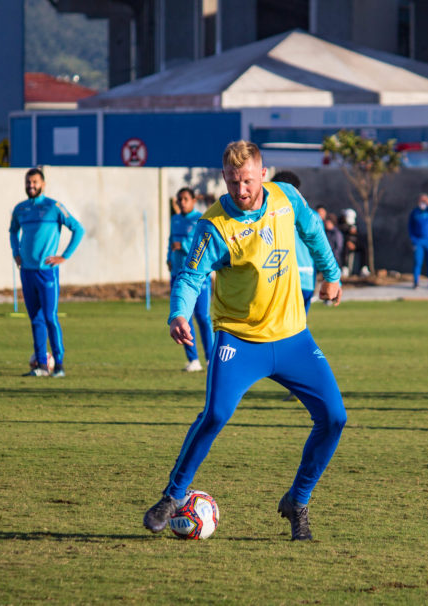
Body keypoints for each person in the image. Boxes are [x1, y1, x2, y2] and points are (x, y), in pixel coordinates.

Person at [143, 141, 346, 541]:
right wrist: (179, 313)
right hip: (239, 339)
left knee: (335, 418)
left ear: (263, 174)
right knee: (216, 414)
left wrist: (332, 274)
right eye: (234, 182)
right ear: (224, 178)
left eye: (248, 181)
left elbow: (313, 230)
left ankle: (297, 501)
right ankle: (173, 496)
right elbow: (190, 276)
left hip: (292, 337)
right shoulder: (214, 226)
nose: (241, 190)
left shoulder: (286, 198)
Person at [10, 167, 84, 377]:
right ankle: (41, 366)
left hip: (47, 273)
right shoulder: (20, 209)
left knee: (50, 317)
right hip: (27, 272)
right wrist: (16, 252)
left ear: (43, 184)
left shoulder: (54, 207)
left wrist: (64, 256)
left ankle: (59, 365)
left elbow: (78, 229)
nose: (31, 185)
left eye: (35, 182)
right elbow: (13, 231)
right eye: (28, 182)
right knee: (35, 318)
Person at [168, 187, 214, 371]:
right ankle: (193, 360)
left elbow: (202, 244)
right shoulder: (175, 219)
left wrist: (182, 245)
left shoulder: (200, 220)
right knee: (183, 318)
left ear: (194, 201)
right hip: (177, 274)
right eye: (179, 199)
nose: (182, 202)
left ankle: (211, 358)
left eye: (185, 199)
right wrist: (168, 258)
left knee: (203, 317)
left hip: (197, 276)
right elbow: (170, 241)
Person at [272, 171, 314, 312]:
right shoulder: (312, 215)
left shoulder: (271, 216)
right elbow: (322, 249)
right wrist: (332, 278)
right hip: (307, 279)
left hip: (281, 279)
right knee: (299, 323)